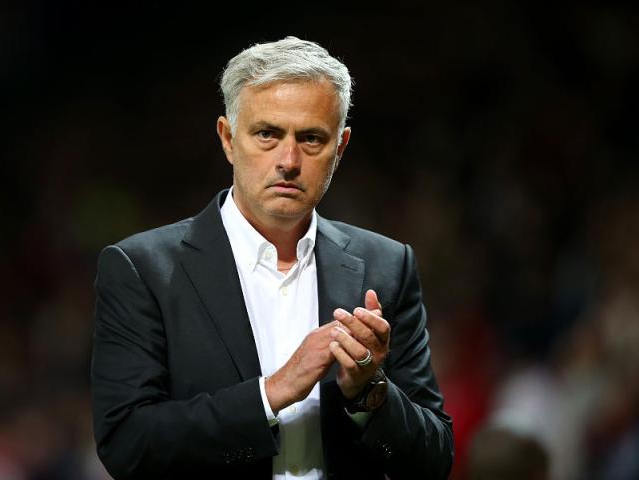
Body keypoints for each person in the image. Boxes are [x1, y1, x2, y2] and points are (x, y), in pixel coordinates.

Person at [91, 36, 453, 479]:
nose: (289, 160)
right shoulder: (142, 269)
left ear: (340, 148)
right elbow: (126, 445)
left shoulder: (388, 265)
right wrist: (272, 392)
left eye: (311, 138)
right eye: (267, 134)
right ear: (227, 138)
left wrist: (369, 392)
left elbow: (435, 459)